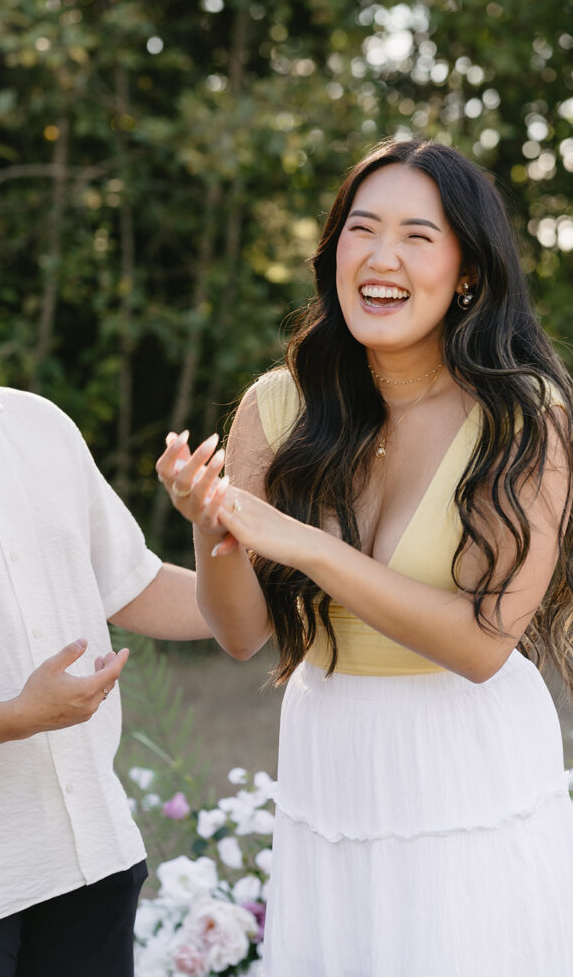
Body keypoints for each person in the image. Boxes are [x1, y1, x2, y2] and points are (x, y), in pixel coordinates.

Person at [156, 138, 573, 976]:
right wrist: (211, 526)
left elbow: (480, 646)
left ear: (466, 271)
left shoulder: (525, 418)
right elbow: (240, 635)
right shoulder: (277, 408)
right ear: (332, 251)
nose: (382, 257)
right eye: (361, 229)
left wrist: (305, 545)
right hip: (330, 749)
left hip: (464, 756)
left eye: (418, 236)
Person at [0, 191, 211, 977]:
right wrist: (19, 716)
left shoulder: (37, 424)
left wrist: (280, 579)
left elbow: (132, 588)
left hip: (93, 861)